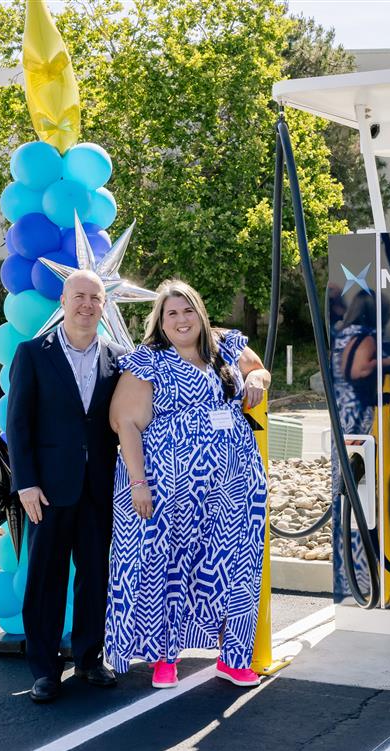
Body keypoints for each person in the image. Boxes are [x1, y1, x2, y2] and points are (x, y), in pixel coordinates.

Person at [105, 280, 269, 689]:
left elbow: (259, 369)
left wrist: (257, 382)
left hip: (234, 482)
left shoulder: (225, 346)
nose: (181, 319)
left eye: (187, 310)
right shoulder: (149, 361)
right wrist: (138, 483)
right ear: (160, 321)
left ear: (200, 313)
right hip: (169, 487)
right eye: (171, 313)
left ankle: (234, 657)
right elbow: (124, 421)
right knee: (171, 566)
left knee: (236, 565)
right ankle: (165, 658)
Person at [8, 271, 126, 703]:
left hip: (98, 488)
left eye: (95, 297)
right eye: (79, 296)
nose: (87, 305)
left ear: (103, 304)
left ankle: (90, 658)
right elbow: (17, 424)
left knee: (96, 576)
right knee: (45, 580)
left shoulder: (118, 357)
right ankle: (44, 669)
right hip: (47, 491)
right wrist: (26, 484)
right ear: (63, 299)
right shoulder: (32, 354)